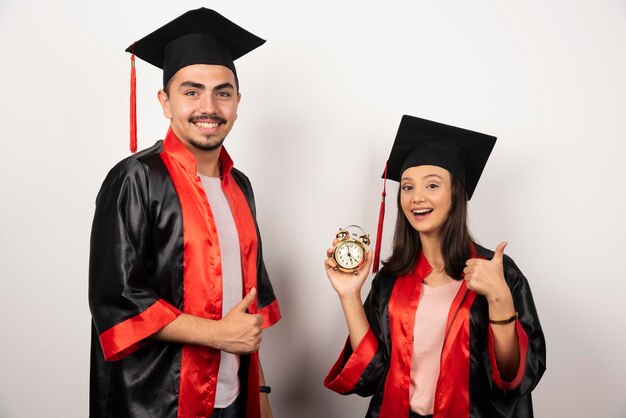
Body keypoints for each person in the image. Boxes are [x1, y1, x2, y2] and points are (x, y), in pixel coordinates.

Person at [88, 8, 280, 418]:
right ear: (165, 101)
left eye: (222, 93)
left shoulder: (240, 186)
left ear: (237, 102)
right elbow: (117, 299)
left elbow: (245, 313)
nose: (208, 106)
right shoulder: (135, 179)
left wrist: (259, 390)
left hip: (232, 399)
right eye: (191, 91)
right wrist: (217, 334)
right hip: (159, 402)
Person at [323, 115, 545, 418]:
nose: (417, 197)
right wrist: (349, 295)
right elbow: (372, 373)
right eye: (407, 187)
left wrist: (499, 299)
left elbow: (512, 379)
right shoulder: (390, 280)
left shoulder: (498, 273)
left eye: (432, 185)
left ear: (456, 194)